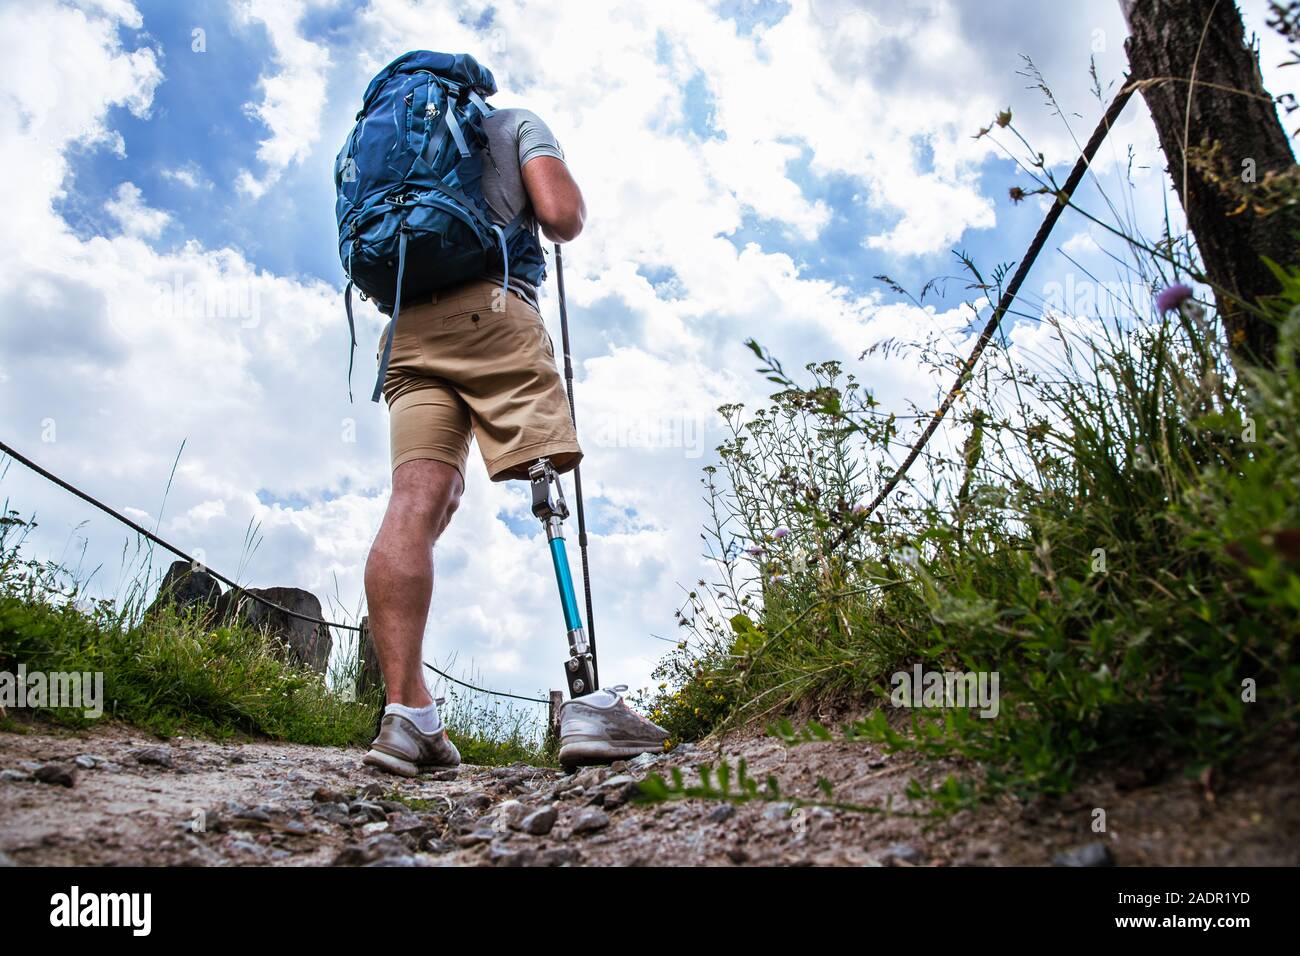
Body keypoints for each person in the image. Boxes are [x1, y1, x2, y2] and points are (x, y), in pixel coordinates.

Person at [361, 105, 669, 777]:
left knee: (414, 500)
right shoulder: (512, 125)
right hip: (496, 310)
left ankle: (405, 716)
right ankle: (588, 703)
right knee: (544, 481)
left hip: (406, 333)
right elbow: (561, 216)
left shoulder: (390, 141)